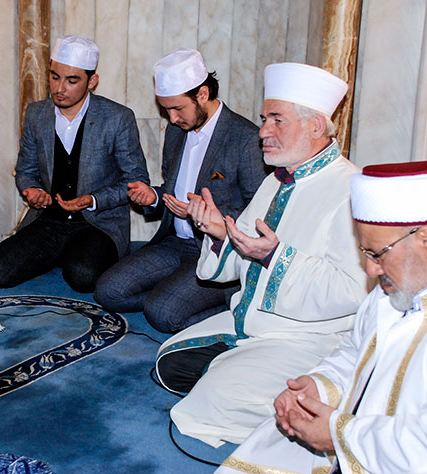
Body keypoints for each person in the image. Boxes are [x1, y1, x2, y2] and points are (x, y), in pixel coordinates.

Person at [155, 62, 369, 446]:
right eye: (264, 119)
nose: (263, 132)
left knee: (213, 399)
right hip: (253, 319)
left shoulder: (352, 190)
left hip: (308, 337)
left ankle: (332, 405)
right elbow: (242, 252)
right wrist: (220, 232)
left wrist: (276, 258)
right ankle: (251, 374)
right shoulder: (276, 180)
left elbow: (354, 292)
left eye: (276, 120)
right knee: (168, 363)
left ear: (315, 126)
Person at [218, 160, 427, 474]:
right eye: (366, 253)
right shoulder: (403, 284)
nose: (371, 269)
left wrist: (339, 434)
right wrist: (318, 386)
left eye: (377, 254)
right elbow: (357, 351)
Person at [94, 48, 266, 333]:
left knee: (162, 315)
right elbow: (173, 193)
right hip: (175, 243)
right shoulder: (176, 132)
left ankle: (232, 300)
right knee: (108, 292)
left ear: (202, 94)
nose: (172, 119)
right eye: (166, 110)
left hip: (215, 250)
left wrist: (207, 215)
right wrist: (153, 197)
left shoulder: (245, 139)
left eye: (177, 108)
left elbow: (259, 212)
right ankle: (174, 293)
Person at [0, 35, 149, 293]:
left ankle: (74, 254)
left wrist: (92, 200)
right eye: (54, 77)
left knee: (83, 277)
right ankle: (61, 252)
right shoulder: (36, 114)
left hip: (97, 222)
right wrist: (32, 190)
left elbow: (136, 180)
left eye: (72, 80)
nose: (59, 88)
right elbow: (25, 171)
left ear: (92, 81)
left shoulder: (117, 118)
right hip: (50, 220)